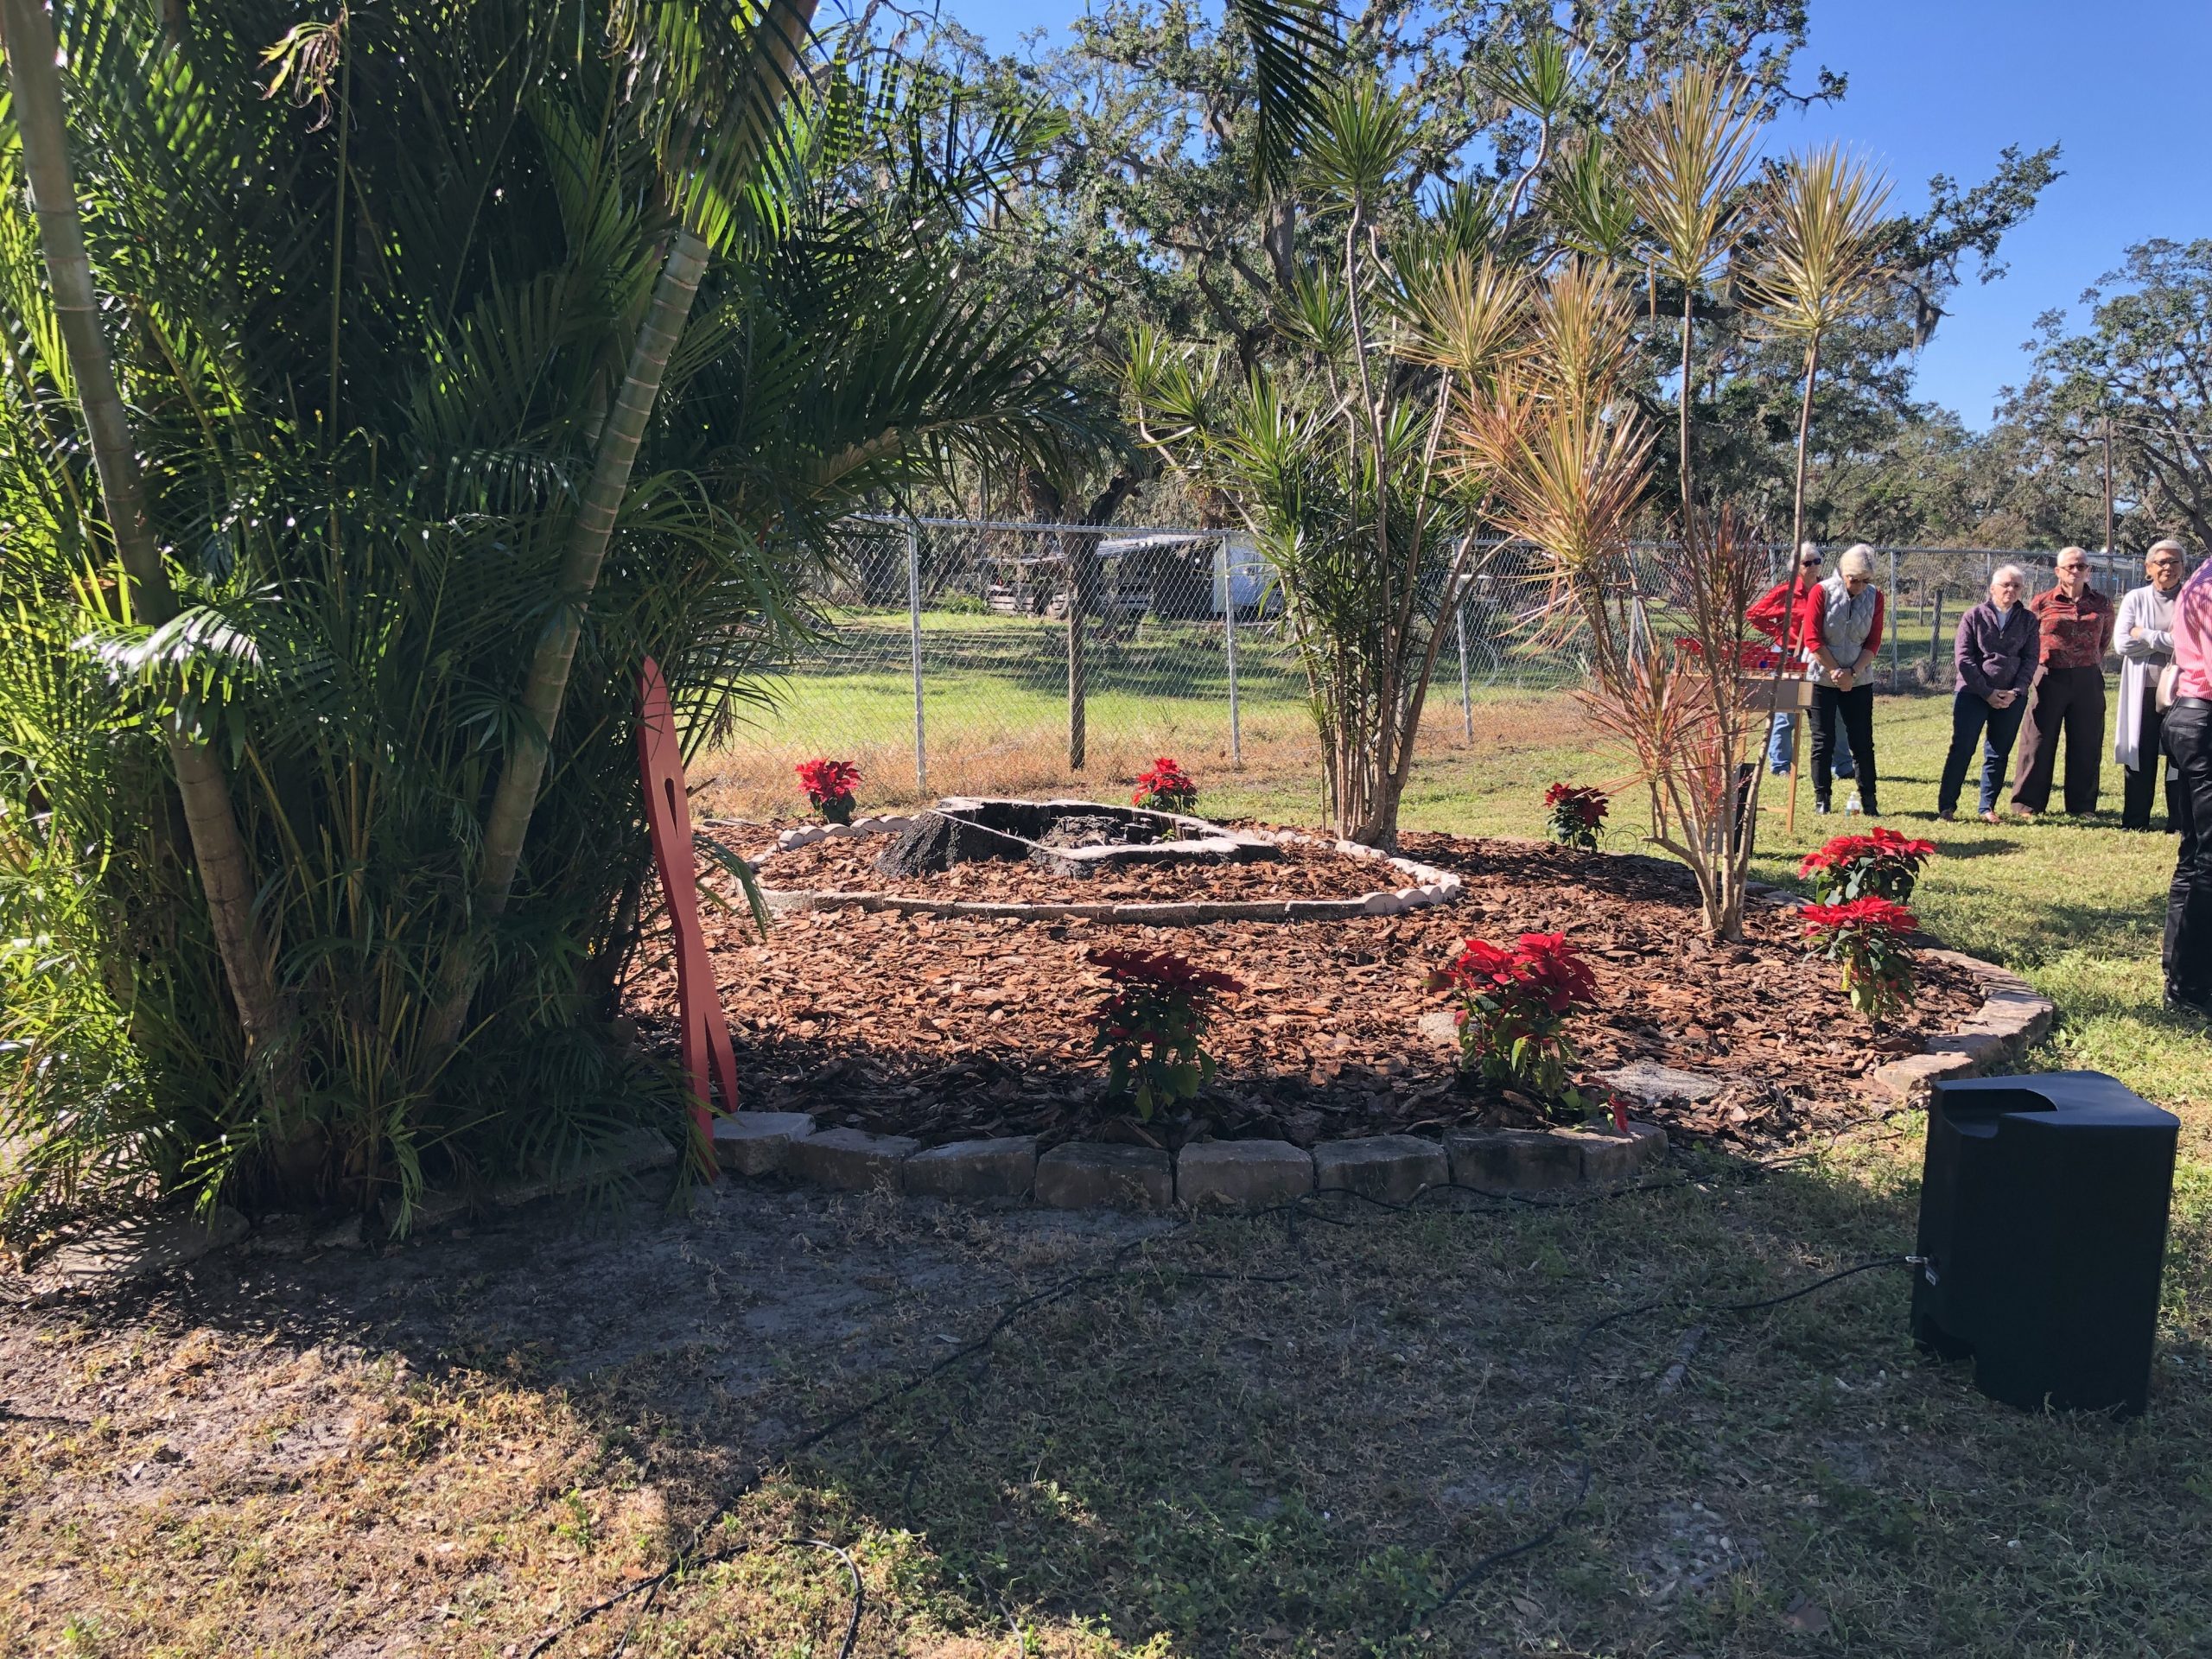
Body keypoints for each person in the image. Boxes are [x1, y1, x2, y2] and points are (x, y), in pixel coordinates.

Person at [2011, 547, 2114, 818]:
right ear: (2058, 571)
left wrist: (2085, 659)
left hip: (2087, 678)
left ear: (2088, 570)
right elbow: (2028, 639)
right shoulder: (2042, 602)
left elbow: (2104, 641)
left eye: (2081, 566)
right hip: (2048, 676)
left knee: (2087, 742)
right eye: (2070, 566)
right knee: (2038, 740)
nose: (2076, 571)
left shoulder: (2102, 603)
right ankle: (2027, 804)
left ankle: (2082, 806)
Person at [1936, 565, 2039, 823]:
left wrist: (2016, 691)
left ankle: (1987, 807)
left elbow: (2030, 659)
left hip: (2011, 696)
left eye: (2016, 586)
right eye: (2005, 584)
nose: (2010, 590)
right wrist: (1986, 692)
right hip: (1973, 693)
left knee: (1998, 752)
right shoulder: (1973, 616)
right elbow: (1964, 658)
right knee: (1962, 748)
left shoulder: (2028, 620)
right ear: (1992, 588)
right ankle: (1947, 807)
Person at [1789, 543, 1885, 815]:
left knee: (1862, 742)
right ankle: (1822, 799)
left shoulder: (1876, 597)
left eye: (1866, 581)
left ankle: (1869, 801)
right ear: (1843, 574)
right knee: (1823, 740)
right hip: (1821, 677)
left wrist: (1852, 674)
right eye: (1855, 580)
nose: (1860, 586)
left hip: (1859, 679)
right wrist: (1834, 671)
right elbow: (1812, 638)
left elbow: (1874, 641)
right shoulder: (1822, 591)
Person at [1748, 543, 1855, 781]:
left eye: (1817, 561)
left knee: (1831, 710)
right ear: (1796, 567)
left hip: (1820, 654)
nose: (1814, 566)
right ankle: (1781, 765)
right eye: (1808, 563)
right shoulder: (1785, 592)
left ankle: (1842, 765)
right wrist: (1780, 630)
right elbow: (1754, 614)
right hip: (1789, 654)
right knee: (1786, 712)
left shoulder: (1829, 588)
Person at [2161, 550, 2212, 1016]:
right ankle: (2191, 986)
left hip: (2190, 715)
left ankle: (2178, 970)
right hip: (2204, 719)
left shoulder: (2200, 575)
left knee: (2197, 852)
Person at [2115, 539, 2188, 831]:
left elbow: (2188, 643)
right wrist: (2166, 640)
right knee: (2139, 752)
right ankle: (2135, 820)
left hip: (2182, 691)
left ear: (2184, 567)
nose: (2168, 567)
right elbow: (2121, 644)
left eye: (2174, 561)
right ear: (2148, 568)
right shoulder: (2135, 598)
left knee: (2178, 756)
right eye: (2161, 562)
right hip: (2142, 689)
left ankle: (2179, 821)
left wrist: (2143, 633)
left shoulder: (2191, 597)